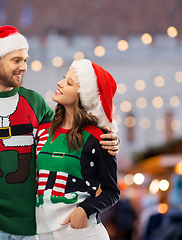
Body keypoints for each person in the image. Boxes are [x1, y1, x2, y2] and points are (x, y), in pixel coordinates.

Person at [0, 25, 119, 240]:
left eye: (25, 60)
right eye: (16, 60)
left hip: (32, 229)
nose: (24, 67)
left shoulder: (35, 102)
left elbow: (68, 133)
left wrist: (110, 139)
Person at [35, 59, 120, 240]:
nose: (59, 83)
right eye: (64, 78)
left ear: (83, 95)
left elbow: (112, 191)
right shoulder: (42, 130)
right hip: (41, 233)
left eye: (69, 82)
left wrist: (86, 209)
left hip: (82, 232)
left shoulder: (100, 137)